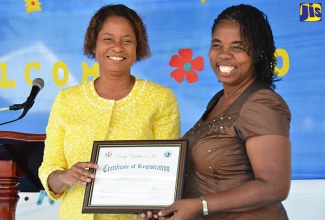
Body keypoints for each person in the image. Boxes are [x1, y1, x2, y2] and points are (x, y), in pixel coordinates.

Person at [38, 4, 180, 220]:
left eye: (127, 40)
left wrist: (155, 206)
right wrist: (66, 176)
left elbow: (166, 173)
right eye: (108, 39)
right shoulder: (67, 100)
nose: (117, 47)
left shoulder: (160, 99)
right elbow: (49, 171)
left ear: (138, 47)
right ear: (93, 45)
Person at [158, 4, 291, 220]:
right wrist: (158, 206)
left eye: (237, 47)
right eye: (217, 45)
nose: (224, 55)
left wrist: (198, 205)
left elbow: (274, 186)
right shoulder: (219, 99)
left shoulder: (263, 103)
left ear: (257, 52)